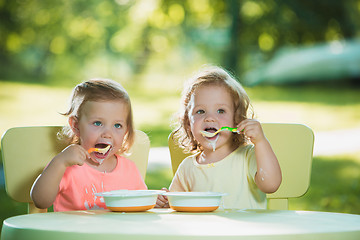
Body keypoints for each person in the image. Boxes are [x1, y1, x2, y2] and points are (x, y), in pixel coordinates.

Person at [156, 66, 282, 209]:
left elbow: (271, 185)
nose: (210, 118)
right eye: (200, 111)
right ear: (188, 122)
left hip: (247, 230)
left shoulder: (249, 156)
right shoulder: (188, 168)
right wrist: (165, 202)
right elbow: (176, 207)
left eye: (221, 111)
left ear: (236, 119)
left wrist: (260, 142)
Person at [31, 79, 147, 211]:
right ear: (76, 126)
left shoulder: (129, 169)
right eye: (97, 123)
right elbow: (40, 201)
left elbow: (141, 206)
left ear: (126, 131)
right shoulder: (66, 166)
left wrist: (158, 203)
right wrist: (60, 162)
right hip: (72, 231)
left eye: (117, 125)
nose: (107, 134)